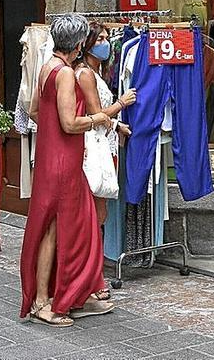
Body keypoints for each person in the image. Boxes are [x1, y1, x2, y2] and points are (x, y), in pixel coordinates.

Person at [20, 14, 114, 327]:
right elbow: (70, 124)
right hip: (64, 163)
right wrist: (99, 119)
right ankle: (45, 301)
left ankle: (58, 294)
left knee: (51, 228)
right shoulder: (64, 74)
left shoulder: (46, 67)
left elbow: (33, 108)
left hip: (49, 158)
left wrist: (50, 134)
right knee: (57, 231)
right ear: (76, 45)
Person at [75, 22, 136, 301]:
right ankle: (93, 278)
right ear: (86, 44)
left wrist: (116, 126)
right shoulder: (85, 74)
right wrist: (122, 104)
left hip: (105, 144)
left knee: (99, 214)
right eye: (100, 38)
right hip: (93, 147)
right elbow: (96, 113)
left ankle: (92, 274)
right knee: (95, 214)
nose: (106, 42)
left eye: (107, 37)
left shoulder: (97, 72)